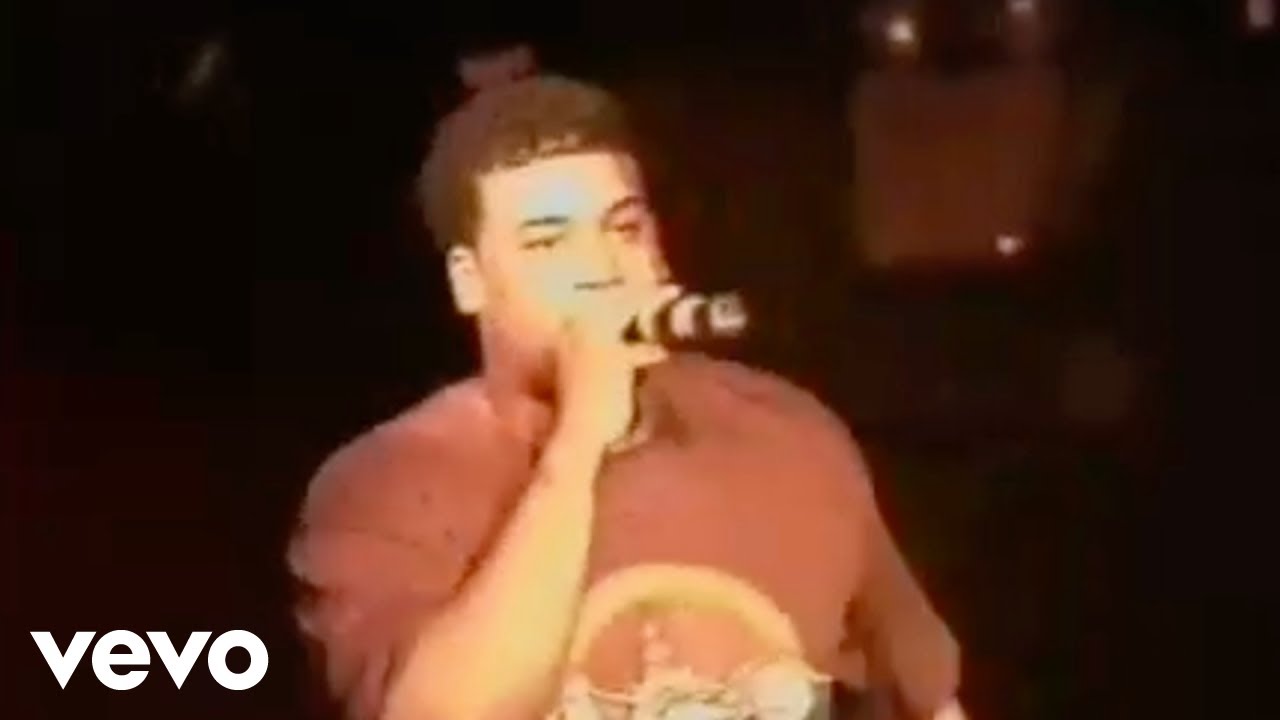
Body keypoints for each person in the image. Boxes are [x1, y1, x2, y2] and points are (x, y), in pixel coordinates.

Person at [287, 74, 967, 720]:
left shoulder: (787, 434)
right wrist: (579, 446)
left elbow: (927, 700)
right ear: (470, 282)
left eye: (624, 229)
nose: (605, 270)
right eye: (550, 243)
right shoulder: (385, 487)